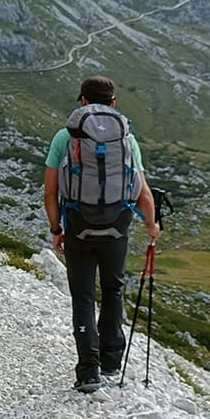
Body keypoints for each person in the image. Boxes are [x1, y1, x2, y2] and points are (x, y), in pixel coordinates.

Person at [43, 75, 161, 392]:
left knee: (83, 296)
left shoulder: (64, 138)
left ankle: (88, 371)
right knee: (113, 290)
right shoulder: (127, 140)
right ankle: (111, 362)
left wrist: (57, 230)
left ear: (82, 101)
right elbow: (144, 195)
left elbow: (50, 193)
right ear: (113, 103)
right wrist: (152, 225)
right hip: (116, 228)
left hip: (78, 227)